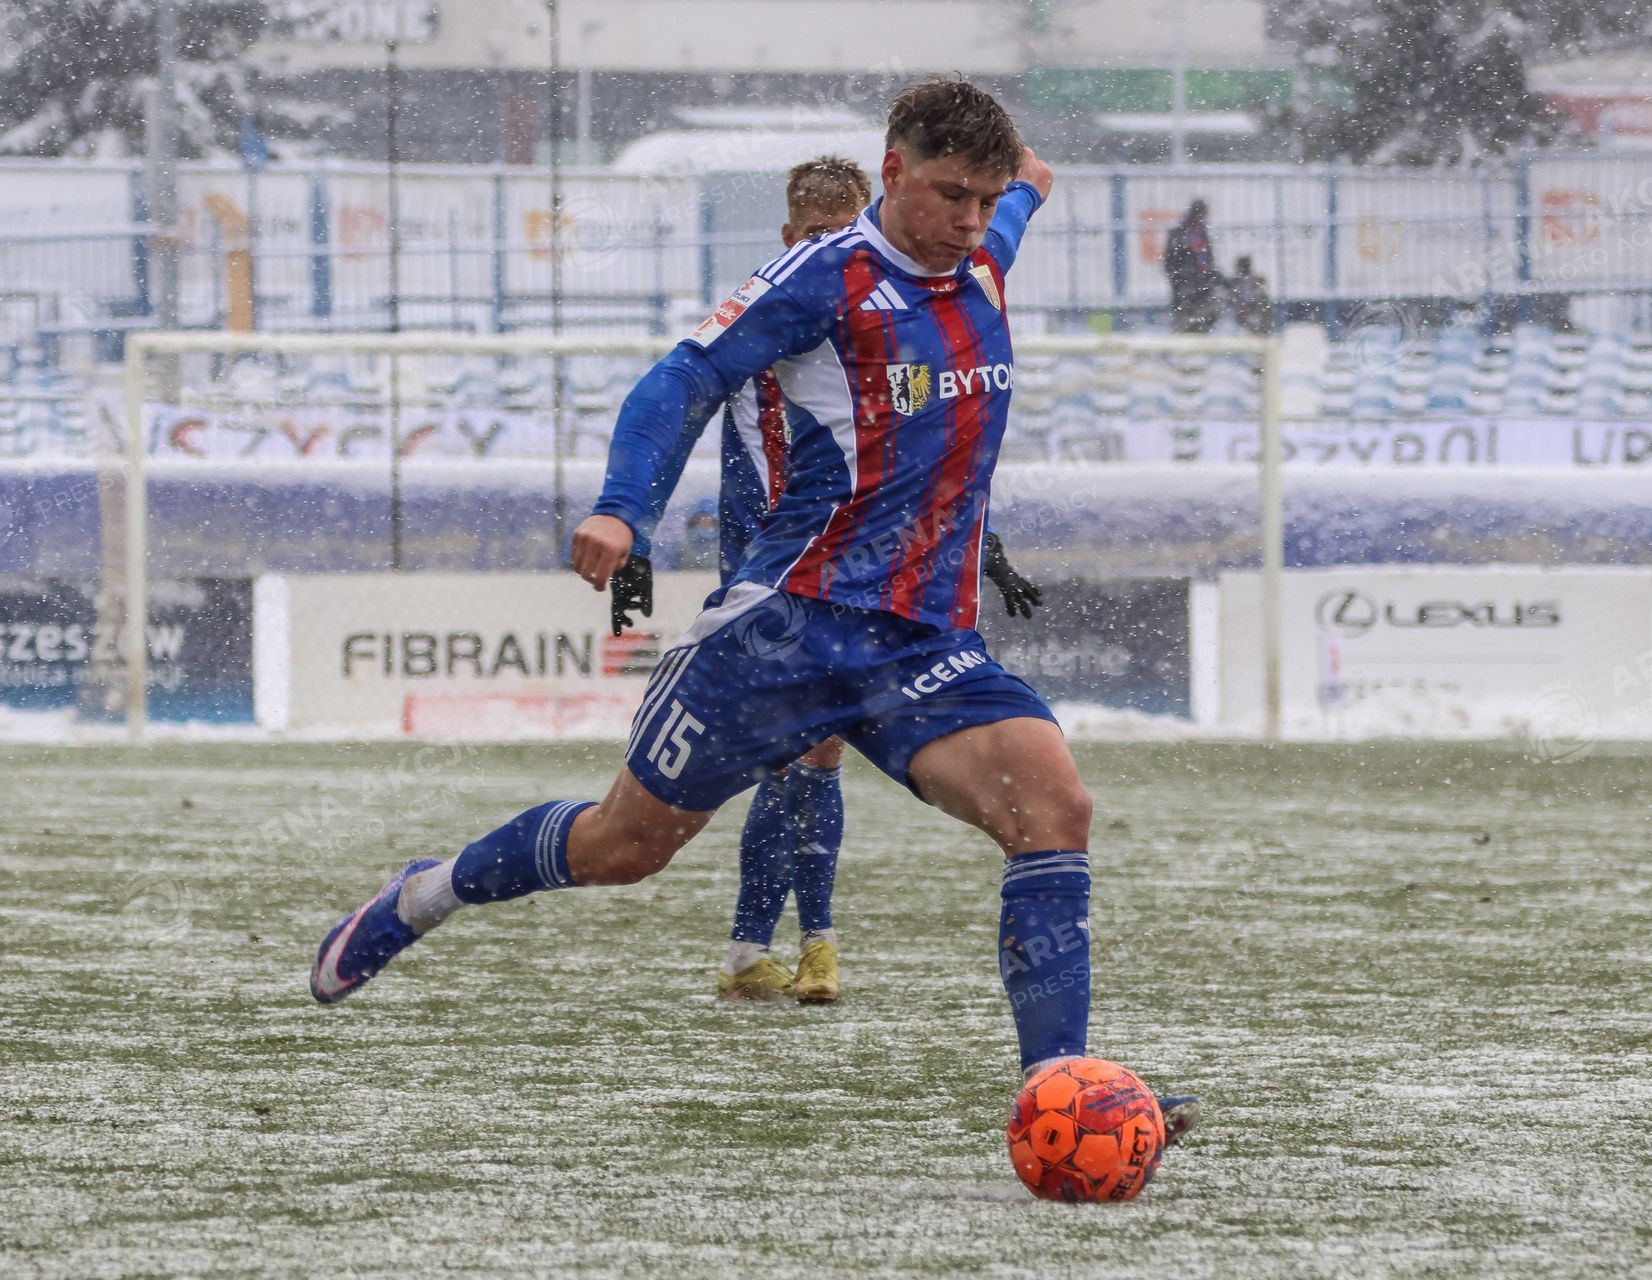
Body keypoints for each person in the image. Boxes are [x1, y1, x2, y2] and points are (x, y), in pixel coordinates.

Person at [311, 77, 1198, 1143]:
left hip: (921, 640)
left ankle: (1062, 1087)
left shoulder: (985, 249)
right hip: (784, 630)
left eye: (985, 199)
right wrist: (622, 508)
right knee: (622, 847)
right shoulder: (818, 280)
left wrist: (1020, 173)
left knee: (1052, 809)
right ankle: (424, 896)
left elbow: (1027, 184)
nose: (971, 221)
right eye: (951, 195)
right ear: (894, 169)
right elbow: (678, 381)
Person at [606, 155, 1047, 1003]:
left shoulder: (877, 313)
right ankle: (768, 947)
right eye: (814, 234)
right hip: (769, 566)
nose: (830, 248)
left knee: (817, 755)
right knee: (767, 771)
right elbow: (683, 406)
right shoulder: (775, 312)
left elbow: (916, 456)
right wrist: (637, 534)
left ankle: (798, 944)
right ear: (788, 235)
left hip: (846, 568)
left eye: (842, 233)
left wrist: (983, 545)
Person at [1164, 199, 1224, 334]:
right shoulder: (1186, 234)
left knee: (1202, 314)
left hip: (1197, 283)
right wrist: (1183, 277)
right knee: (1191, 316)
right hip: (1188, 283)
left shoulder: (1198, 233)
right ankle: (1190, 334)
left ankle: (1194, 333)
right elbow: (1172, 261)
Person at [1231, 255, 1272, 336]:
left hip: (1250, 316)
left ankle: (1259, 329)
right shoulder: (1255, 281)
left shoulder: (1238, 283)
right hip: (1250, 317)